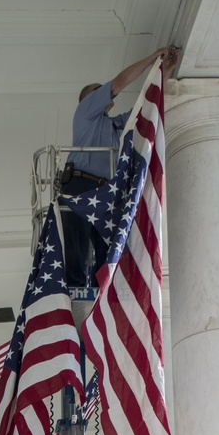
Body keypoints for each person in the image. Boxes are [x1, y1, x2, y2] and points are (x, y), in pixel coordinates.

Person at [60, 46, 179, 287]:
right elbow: (120, 81)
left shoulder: (114, 126)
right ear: (89, 99)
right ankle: (73, 291)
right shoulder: (85, 111)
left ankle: (100, 295)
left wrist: (163, 72)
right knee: (77, 247)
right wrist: (152, 58)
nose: (104, 95)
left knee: (106, 249)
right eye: (97, 92)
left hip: (105, 192)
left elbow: (145, 107)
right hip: (81, 184)